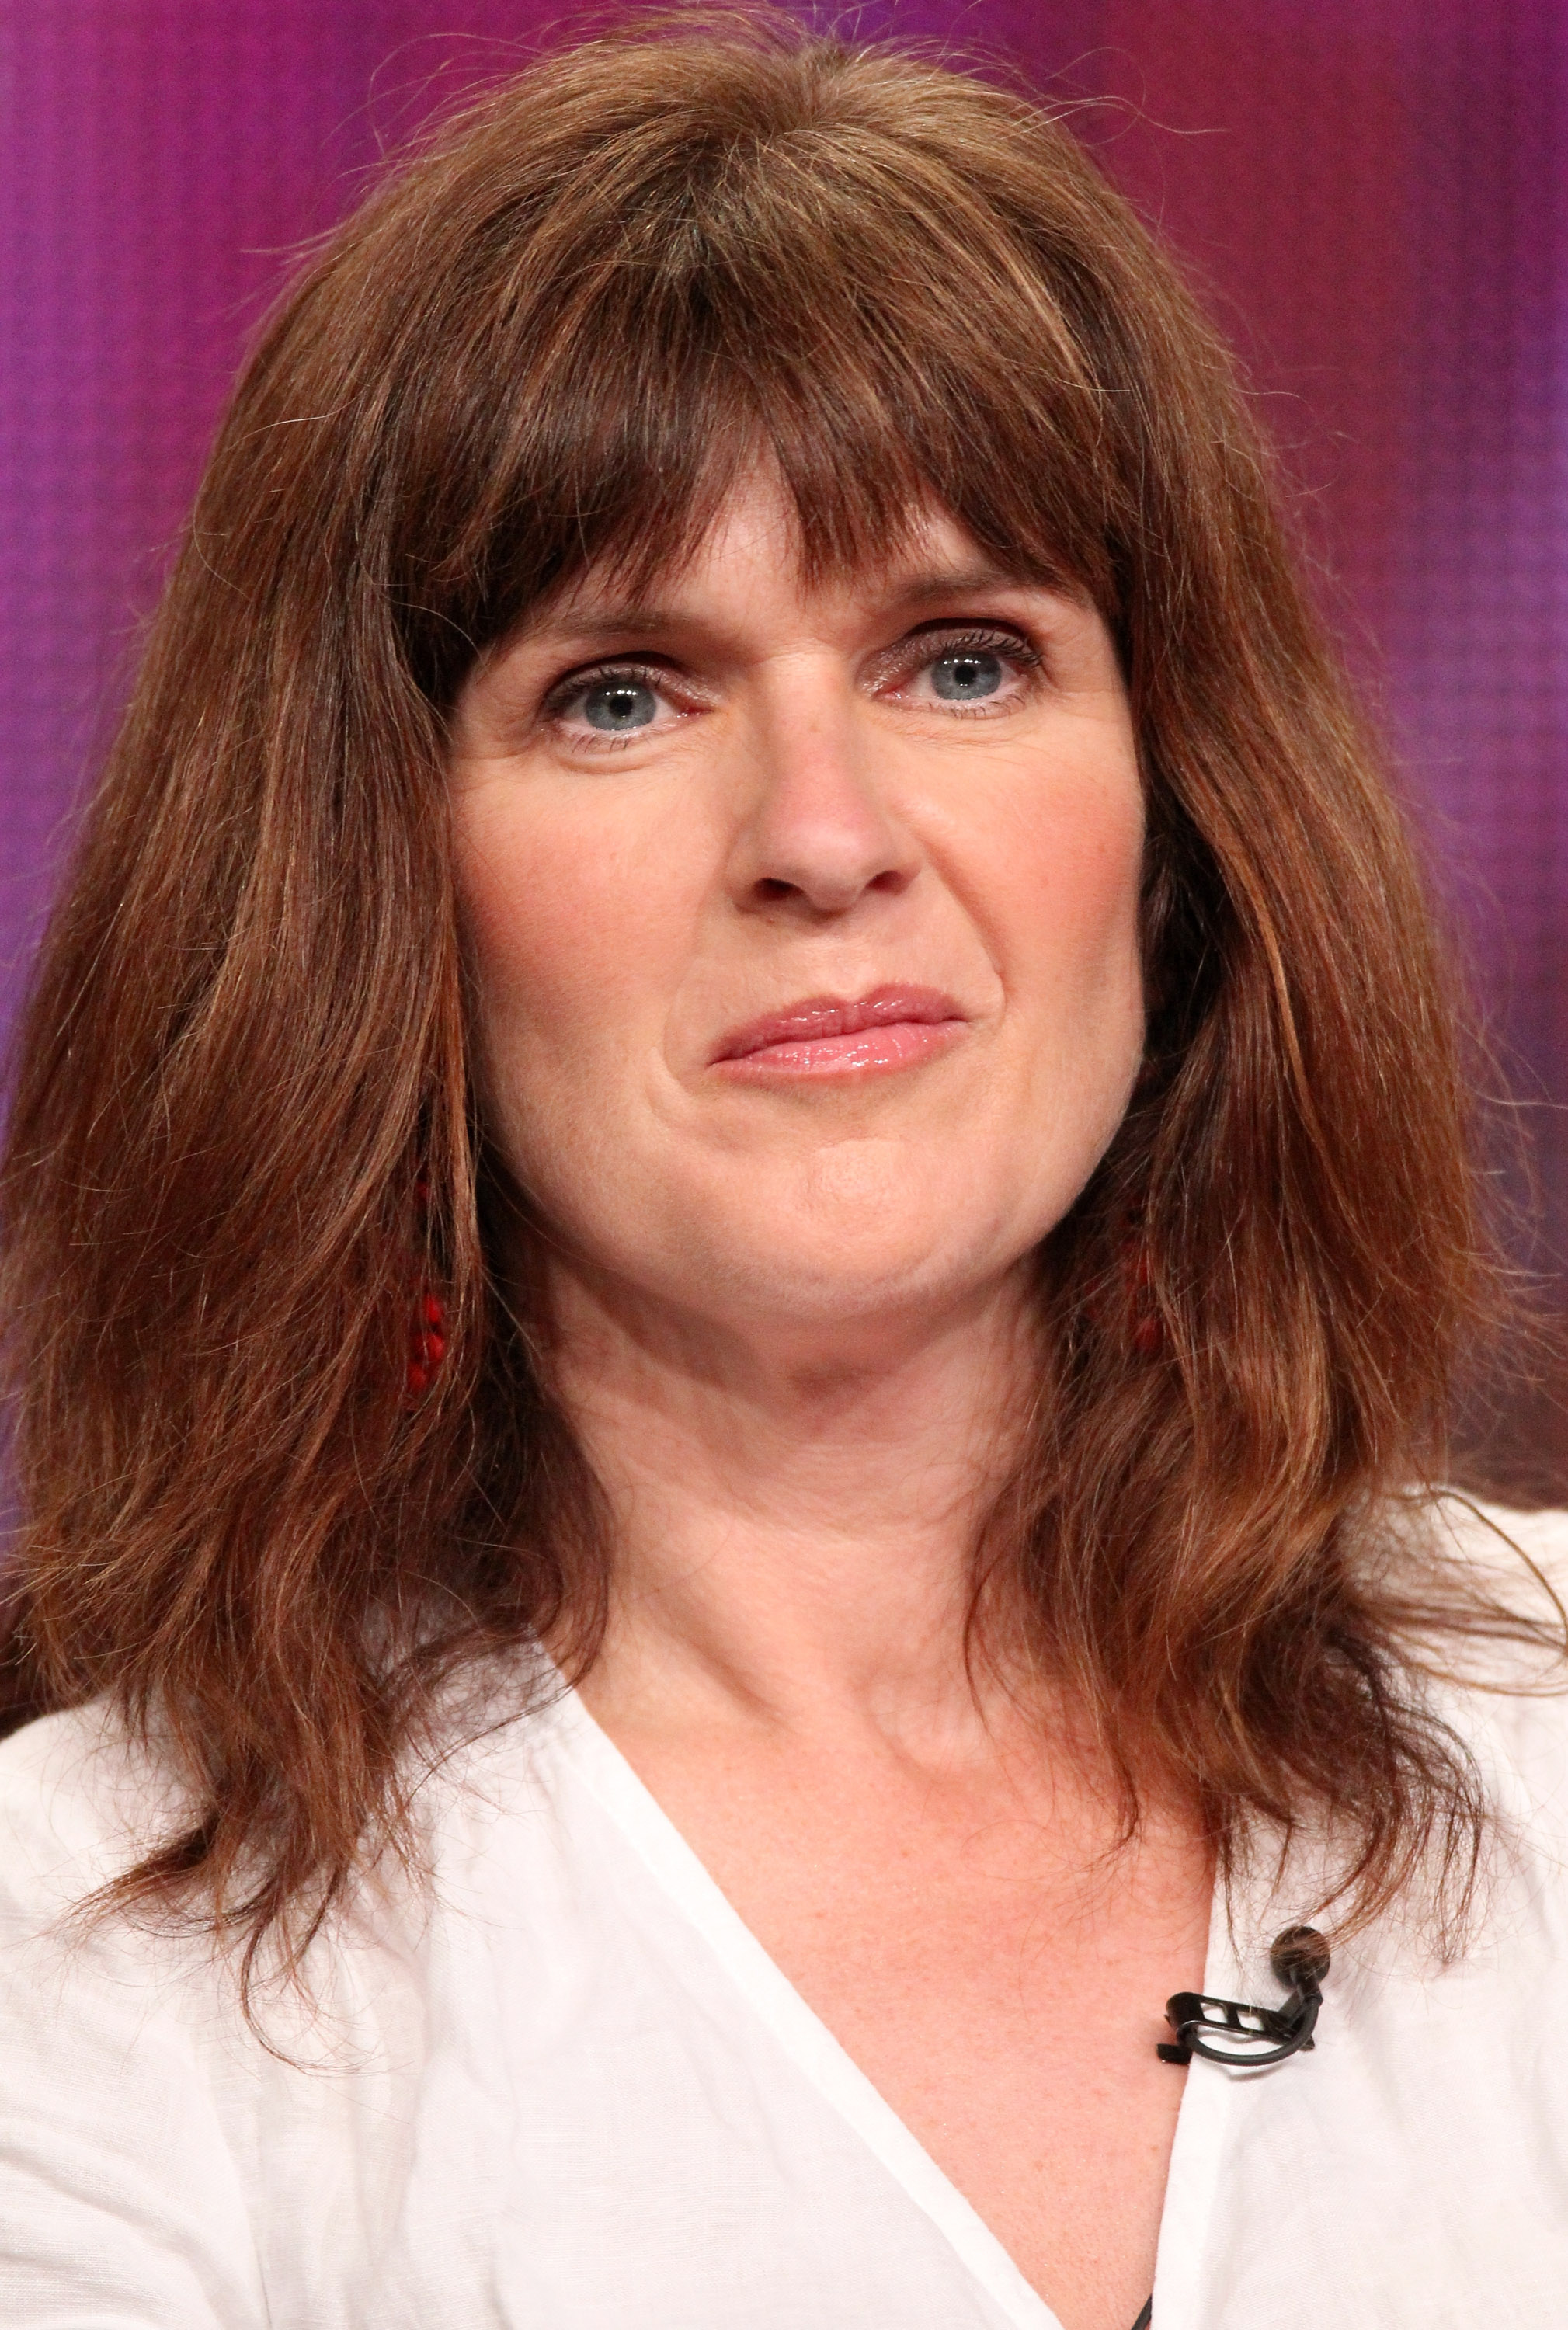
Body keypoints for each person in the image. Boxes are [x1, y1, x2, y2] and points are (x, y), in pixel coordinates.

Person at [0, 18, 1563, 2330]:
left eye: (960, 661)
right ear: (379, 888)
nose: (823, 840)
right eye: (622, 692)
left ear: (1169, 835)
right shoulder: (94, 1962)